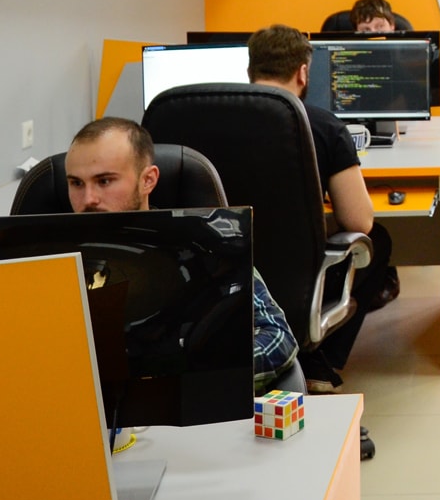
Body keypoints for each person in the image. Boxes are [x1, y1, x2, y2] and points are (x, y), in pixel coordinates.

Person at [63, 116, 298, 394]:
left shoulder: (207, 250)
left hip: (182, 403)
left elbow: (278, 338)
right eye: (76, 183)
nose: (88, 199)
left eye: (104, 181)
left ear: (148, 180)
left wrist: (190, 375)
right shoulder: (45, 256)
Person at [247, 24, 398, 391]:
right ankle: (318, 361)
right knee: (377, 241)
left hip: (226, 274)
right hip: (295, 276)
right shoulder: (323, 126)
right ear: (302, 73)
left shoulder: (200, 119)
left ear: (250, 70)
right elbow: (358, 220)